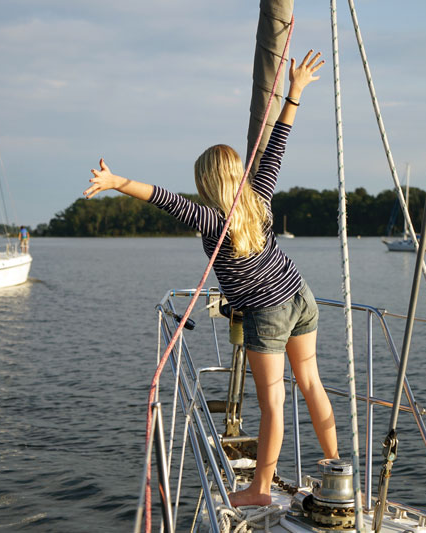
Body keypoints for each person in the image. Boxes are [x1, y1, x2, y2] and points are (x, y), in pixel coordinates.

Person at [84, 50, 338, 508]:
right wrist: (294, 91)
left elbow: (159, 197)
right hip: (301, 295)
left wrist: (116, 180)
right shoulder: (259, 197)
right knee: (313, 384)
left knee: (273, 405)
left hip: (268, 315)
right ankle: (338, 468)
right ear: (237, 173)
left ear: (205, 183)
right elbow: (279, 140)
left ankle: (260, 490)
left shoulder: (208, 218)